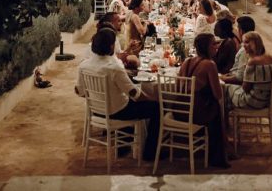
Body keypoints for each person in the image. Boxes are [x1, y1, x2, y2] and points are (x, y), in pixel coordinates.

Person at [75, 28, 161, 162]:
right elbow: (134, 94)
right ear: (111, 46)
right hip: (117, 112)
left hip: (96, 111)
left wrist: (96, 97)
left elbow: (79, 91)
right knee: (155, 108)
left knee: (124, 100)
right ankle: (150, 153)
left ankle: (123, 145)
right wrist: (153, 98)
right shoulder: (114, 67)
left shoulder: (83, 66)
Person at [178, 33, 230, 168]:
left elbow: (179, 86)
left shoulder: (186, 62)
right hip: (196, 114)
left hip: (180, 111)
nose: (217, 46)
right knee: (219, 107)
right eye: (213, 44)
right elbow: (218, 94)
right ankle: (219, 154)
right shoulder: (209, 64)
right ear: (206, 47)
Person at [225, 31, 272, 111]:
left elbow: (245, 88)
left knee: (225, 88)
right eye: (243, 42)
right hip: (265, 100)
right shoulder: (270, 58)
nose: (243, 45)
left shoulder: (252, 61)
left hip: (252, 101)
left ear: (256, 43)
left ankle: (223, 121)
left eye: (247, 42)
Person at [219, 16, 255, 84]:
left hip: (236, 84)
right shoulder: (254, 44)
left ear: (241, 31)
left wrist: (223, 78)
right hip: (232, 75)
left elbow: (239, 78)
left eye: (237, 28)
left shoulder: (245, 50)